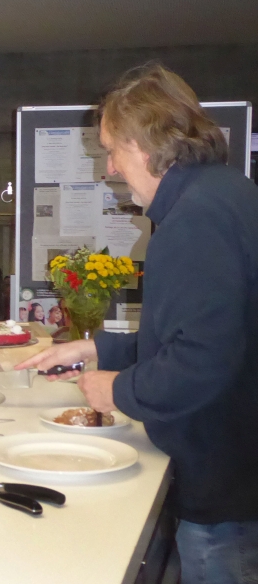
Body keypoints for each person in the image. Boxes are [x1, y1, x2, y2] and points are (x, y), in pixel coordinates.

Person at [17, 63, 258, 583]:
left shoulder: (196, 219)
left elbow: (202, 360)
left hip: (227, 483)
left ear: (145, 146)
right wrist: (98, 351)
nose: (109, 168)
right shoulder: (222, 193)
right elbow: (198, 333)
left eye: (111, 150)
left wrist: (119, 390)